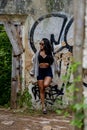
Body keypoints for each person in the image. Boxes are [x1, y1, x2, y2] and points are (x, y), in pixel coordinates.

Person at [30, 38, 59, 114]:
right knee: (41, 89)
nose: (40, 45)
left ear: (45, 44)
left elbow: (54, 63)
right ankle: (43, 107)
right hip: (40, 72)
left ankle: (49, 81)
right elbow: (35, 63)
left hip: (48, 71)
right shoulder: (37, 53)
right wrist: (32, 72)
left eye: (42, 44)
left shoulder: (50, 53)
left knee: (45, 85)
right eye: (40, 44)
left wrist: (57, 70)